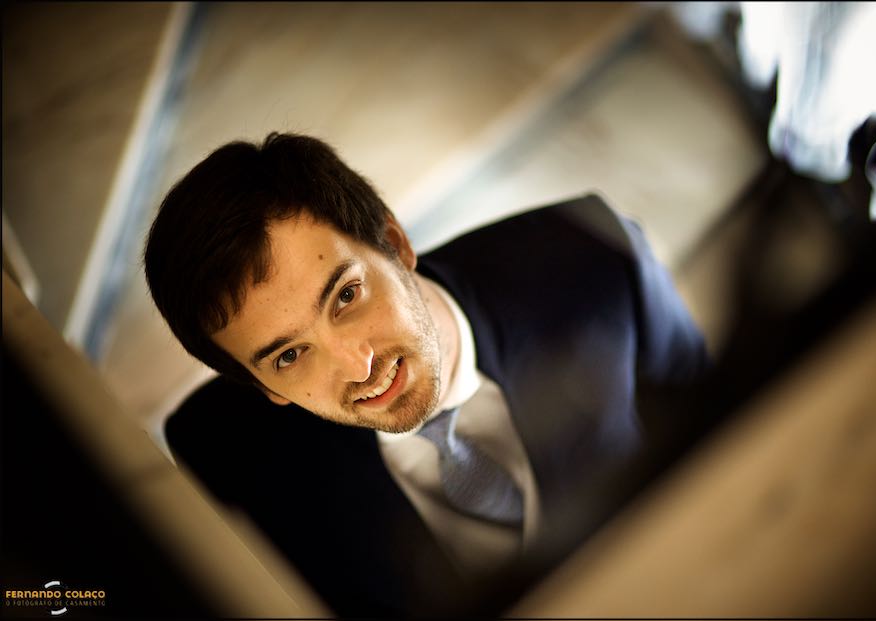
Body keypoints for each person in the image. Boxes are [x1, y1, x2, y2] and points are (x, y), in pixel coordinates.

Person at [144, 132, 709, 617]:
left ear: (395, 244)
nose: (358, 366)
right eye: (290, 356)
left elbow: (709, 412)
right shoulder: (228, 456)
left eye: (346, 296)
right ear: (264, 388)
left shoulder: (598, 259)